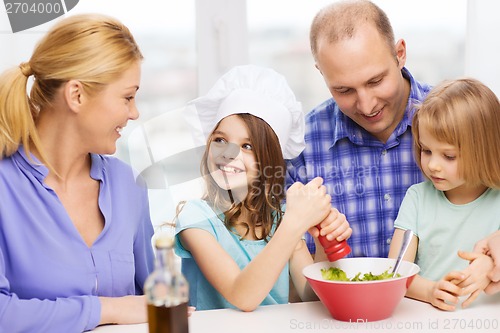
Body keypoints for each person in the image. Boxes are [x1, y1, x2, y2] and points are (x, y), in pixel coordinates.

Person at [0, 14, 155, 332]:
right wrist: (107, 309)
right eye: (127, 97)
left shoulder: (129, 185)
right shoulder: (5, 188)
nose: (134, 112)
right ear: (77, 95)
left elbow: (151, 299)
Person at [174, 65, 352, 311]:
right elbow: (242, 296)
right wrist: (294, 223)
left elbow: (312, 298)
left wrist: (322, 242)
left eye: (247, 146)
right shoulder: (197, 219)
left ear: (268, 160)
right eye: (220, 140)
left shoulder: (280, 220)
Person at [286, 0, 432, 257]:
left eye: (375, 81)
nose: (366, 106)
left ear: (400, 54)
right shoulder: (300, 146)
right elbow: (293, 274)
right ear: (321, 73)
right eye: (344, 90)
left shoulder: (462, 120)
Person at [388, 78, 500, 311]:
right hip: (432, 320)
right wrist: (429, 291)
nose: (433, 166)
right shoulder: (417, 199)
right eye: (426, 150)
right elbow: (396, 271)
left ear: (485, 151)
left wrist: (490, 266)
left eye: (448, 156)